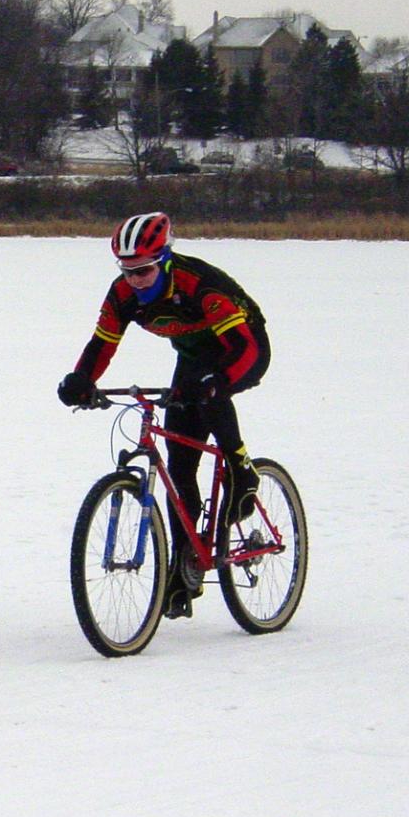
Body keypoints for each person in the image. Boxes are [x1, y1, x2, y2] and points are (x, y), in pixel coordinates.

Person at [57, 211, 270, 618]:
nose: (135, 280)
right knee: (180, 464)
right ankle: (184, 569)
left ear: (166, 259)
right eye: (128, 271)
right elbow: (103, 343)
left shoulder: (199, 287)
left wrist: (216, 381)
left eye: (145, 271)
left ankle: (243, 472)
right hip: (192, 358)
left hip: (242, 349)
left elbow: (246, 350)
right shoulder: (122, 293)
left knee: (210, 395)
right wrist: (81, 379)